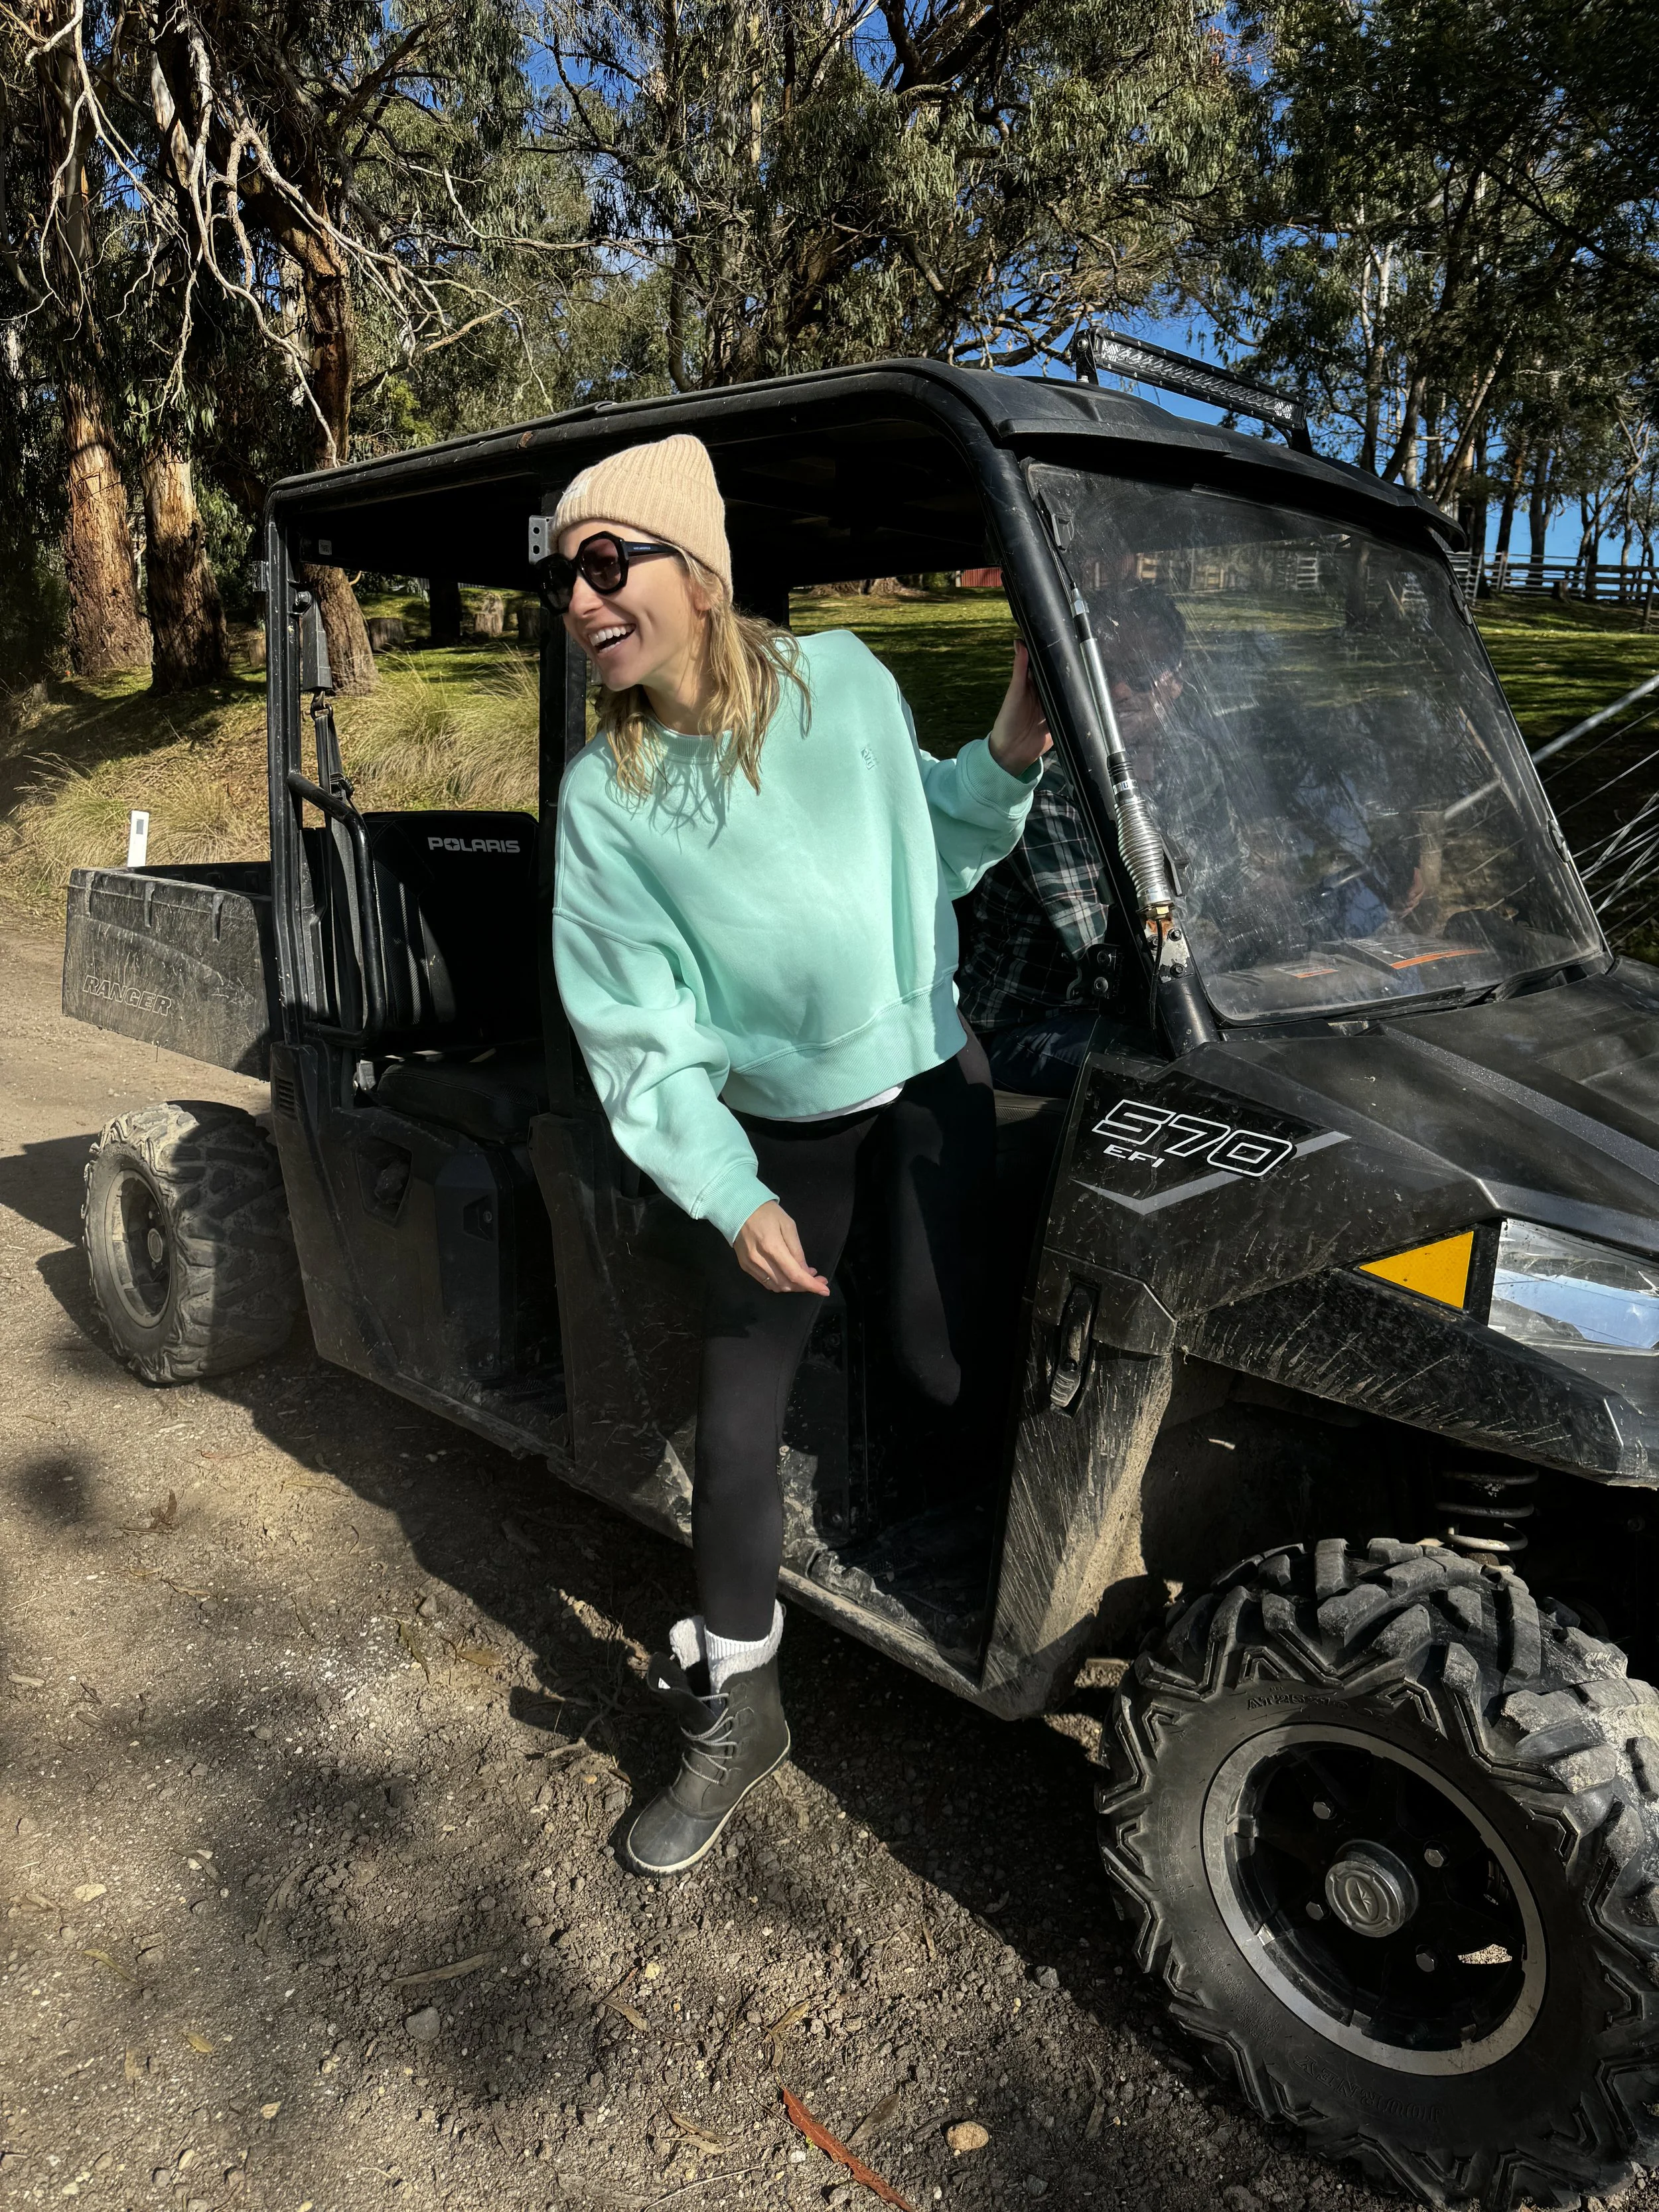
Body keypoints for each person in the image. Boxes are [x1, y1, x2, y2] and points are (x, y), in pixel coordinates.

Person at [548, 435, 1050, 1876]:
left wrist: (1012, 748)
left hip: (928, 1070)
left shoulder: (847, 680)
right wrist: (730, 1189)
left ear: (699, 573)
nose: (580, 600)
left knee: (943, 1360)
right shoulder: (606, 804)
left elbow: (929, 837)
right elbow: (640, 1037)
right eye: (564, 576)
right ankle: (739, 1710)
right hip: (778, 1128)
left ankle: (1007, 1610)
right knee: (734, 1421)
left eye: (605, 560)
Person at [959, 589, 1187, 1095]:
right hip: (1027, 1024)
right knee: (1183, 1074)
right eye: (1107, 673)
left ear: (1176, 681)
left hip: (1139, 1008)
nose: (1120, 690)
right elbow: (1107, 956)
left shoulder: (1194, 768)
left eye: (1141, 673)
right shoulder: (1052, 788)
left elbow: (1242, 882)